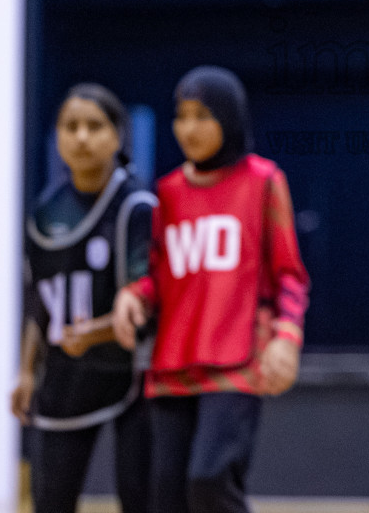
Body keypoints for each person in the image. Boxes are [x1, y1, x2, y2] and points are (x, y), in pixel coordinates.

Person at [112, 66, 309, 513]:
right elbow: (157, 276)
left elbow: (290, 274)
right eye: (181, 116)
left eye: (203, 115)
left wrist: (287, 337)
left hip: (237, 360)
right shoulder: (167, 192)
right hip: (171, 366)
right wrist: (133, 295)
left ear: (230, 118)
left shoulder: (263, 181)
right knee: (165, 497)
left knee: (209, 483)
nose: (189, 128)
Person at [14, 84, 156, 513]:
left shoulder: (137, 206)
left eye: (94, 126)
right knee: (50, 501)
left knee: (140, 497)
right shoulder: (44, 212)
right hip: (63, 376)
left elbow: (145, 299)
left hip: (131, 375)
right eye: (70, 126)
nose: (80, 137)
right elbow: (39, 304)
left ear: (118, 136)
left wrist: (93, 334)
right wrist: (25, 371)